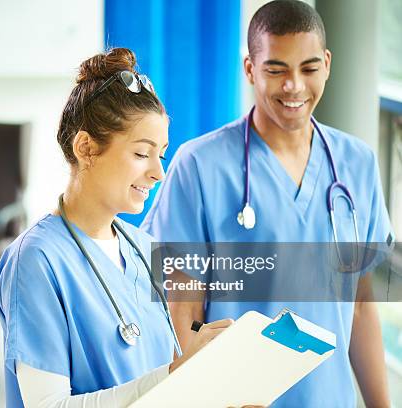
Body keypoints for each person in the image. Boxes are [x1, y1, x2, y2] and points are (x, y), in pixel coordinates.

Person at [142, 1, 394, 407]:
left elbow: (361, 306)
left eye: (309, 69)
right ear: (250, 69)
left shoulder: (357, 163)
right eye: (276, 70)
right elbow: (181, 307)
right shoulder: (200, 166)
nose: (293, 86)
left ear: (327, 65)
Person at [0, 48, 238, 408]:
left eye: (161, 155)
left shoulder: (145, 248)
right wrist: (173, 374)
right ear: (86, 148)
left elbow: (166, 388)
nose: (159, 172)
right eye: (142, 154)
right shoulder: (36, 261)